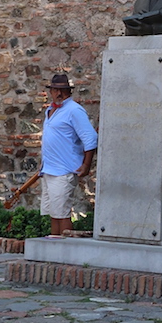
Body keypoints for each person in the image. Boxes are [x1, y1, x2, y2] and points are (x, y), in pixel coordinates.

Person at [40, 70, 97, 237]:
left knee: (62, 212)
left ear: (64, 92)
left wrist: (86, 164)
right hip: (50, 169)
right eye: (53, 89)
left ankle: (64, 249)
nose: (55, 93)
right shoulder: (51, 110)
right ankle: (54, 248)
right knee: (54, 212)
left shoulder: (74, 110)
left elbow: (90, 137)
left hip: (64, 170)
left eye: (58, 90)